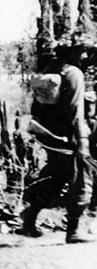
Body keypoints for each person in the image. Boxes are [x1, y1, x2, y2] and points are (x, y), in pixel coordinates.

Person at [22, 44, 96, 243]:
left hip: (51, 136)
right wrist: (82, 142)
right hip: (69, 138)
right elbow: (75, 113)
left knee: (58, 178)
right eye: (83, 50)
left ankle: (29, 218)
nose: (86, 55)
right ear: (72, 51)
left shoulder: (52, 70)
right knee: (81, 179)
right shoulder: (74, 74)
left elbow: (37, 107)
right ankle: (73, 231)